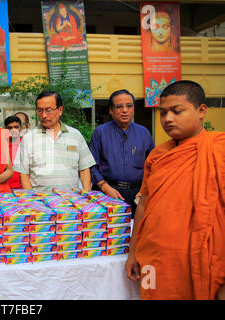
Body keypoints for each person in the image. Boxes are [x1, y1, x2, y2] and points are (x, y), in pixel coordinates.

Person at [125, 80, 225, 300]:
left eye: (177, 111)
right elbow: (143, 204)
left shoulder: (219, 149)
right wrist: (133, 253)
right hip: (152, 255)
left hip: (199, 257)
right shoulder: (157, 155)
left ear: (201, 111)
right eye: (163, 113)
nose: (168, 119)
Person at [13, 91, 96, 193]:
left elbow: (84, 169)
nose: (43, 115)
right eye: (39, 110)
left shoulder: (75, 135)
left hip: (72, 201)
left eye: (48, 110)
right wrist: (32, 200)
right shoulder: (28, 139)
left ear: (60, 110)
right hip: (41, 203)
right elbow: (24, 174)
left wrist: (86, 194)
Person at [89, 89, 154, 218]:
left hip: (137, 194)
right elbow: (91, 165)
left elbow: (153, 164)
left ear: (134, 109)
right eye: (119, 107)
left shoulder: (144, 133)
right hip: (108, 192)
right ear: (111, 110)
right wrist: (104, 186)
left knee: (136, 233)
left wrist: (144, 189)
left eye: (129, 106)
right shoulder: (100, 133)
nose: (125, 110)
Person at [4, 115, 23, 189]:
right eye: (10, 127)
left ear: (20, 128)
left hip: (23, 186)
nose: (13, 130)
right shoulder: (3, 144)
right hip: (6, 186)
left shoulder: (26, 142)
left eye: (16, 127)